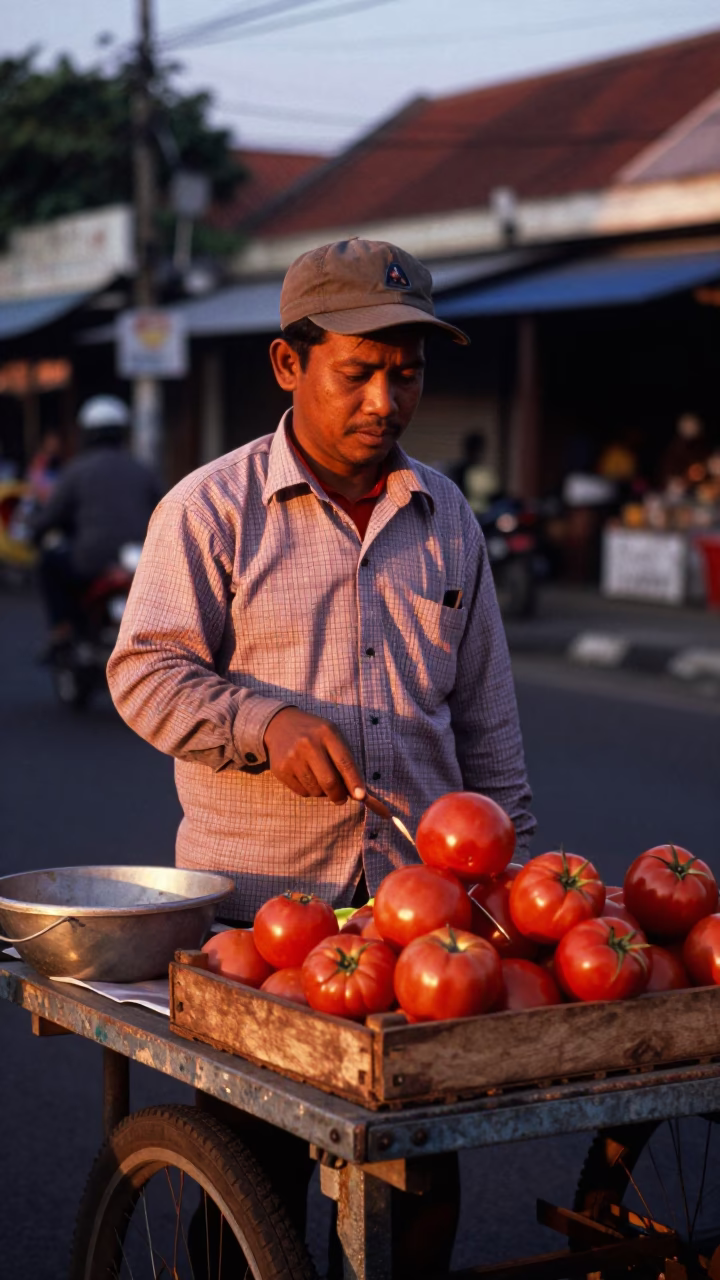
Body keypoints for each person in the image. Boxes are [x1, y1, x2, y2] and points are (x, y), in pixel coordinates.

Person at [107, 238, 535, 1274]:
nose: (387, 399)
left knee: (422, 1185)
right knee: (252, 1184)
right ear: (288, 365)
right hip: (264, 919)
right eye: (361, 370)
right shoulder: (208, 509)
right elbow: (143, 672)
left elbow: (486, 716)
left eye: (408, 371)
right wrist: (265, 724)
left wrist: (513, 869)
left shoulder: (447, 517)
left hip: (423, 919)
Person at [33, 395, 161, 655]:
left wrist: (35, 532)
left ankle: (62, 629)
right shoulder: (142, 469)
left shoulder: (76, 471)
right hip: (140, 561)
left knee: (48, 562)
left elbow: (51, 516)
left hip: (89, 562)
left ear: (87, 433)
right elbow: (166, 509)